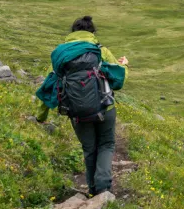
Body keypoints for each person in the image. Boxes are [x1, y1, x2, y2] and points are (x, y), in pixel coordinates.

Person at [35, 16, 129, 196]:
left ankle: (93, 189)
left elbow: (47, 86)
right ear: (92, 33)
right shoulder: (100, 51)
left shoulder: (60, 56)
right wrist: (124, 65)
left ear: (72, 33)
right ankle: (103, 187)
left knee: (89, 148)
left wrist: (41, 116)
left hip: (76, 112)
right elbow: (118, 80)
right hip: (105, 108)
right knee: (106, 144)